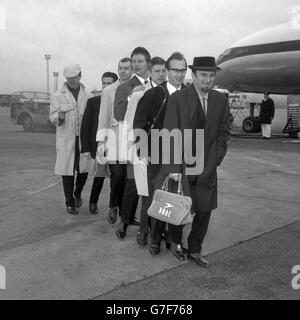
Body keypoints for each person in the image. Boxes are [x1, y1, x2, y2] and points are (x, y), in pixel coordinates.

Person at [160, 56, 231, 268]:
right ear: (194, 75)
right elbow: (170, 132)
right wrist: (172, 167)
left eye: (211, 76)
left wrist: (216, 158)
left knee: (204, 209)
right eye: (203, 75)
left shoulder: (220, 100)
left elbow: (224, 132)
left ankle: (196, 248)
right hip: (181, 165)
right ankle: (176, 243)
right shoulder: (179, 99)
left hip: (207, 165)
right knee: (179, 205)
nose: (207, 80)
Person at [133, 52, 187, 253]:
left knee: (179, 197)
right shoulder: (154, 95)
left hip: (183, 156)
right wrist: (143, 151)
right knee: (159, 196)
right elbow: (139, 124)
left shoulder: (191, 95)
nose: (179, 75)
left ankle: (176, 239)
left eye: (183, 71)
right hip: (156, 155)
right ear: (168, 71)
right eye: (175, 70)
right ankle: (155, 238)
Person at [113, 47, 152, 240]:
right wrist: (131, 97)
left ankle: (147, 224)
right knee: (132, 184)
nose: (136, 65)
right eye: (134, 61)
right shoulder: (124, 87)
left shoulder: (156, 85)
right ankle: (124, 221)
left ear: (148, 63)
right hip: (133, 143)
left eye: (140, 61)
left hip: (154, 143)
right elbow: (119, 115)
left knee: (150, 185)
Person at [49, 63, 92, 215]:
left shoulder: (88, 95)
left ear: (80, 76)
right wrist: (59, 117)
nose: (71, 81)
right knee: (67, 172)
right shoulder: (57, 94)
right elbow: (52, 117)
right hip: (66, 138)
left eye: (74, 78)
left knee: (83, 170)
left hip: (84, 138)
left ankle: (78, 192)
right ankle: (69, 202)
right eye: (68, 78)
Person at [96, 58, 133, 223]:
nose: (123, 71)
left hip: (132, 140)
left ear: (132, 70)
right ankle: (113, 206)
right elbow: (103, 117)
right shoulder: (109, 91)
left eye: (126, 68)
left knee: (128, 178)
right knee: (116, 175)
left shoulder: (138, 88)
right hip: (113, 138)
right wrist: (100, 142)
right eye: (120, 68)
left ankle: (125, 212)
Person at [80, 71, 118, 214]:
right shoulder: (93, 102)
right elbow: (85, 127)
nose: (106, 86)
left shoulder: (120, 101)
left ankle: (114, 206)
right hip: (100, 146)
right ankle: (93, 202)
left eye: (109, 83)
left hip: (116, 145)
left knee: (117, 179)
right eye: (104, 83)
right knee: (99, 177)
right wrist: (86, 148)